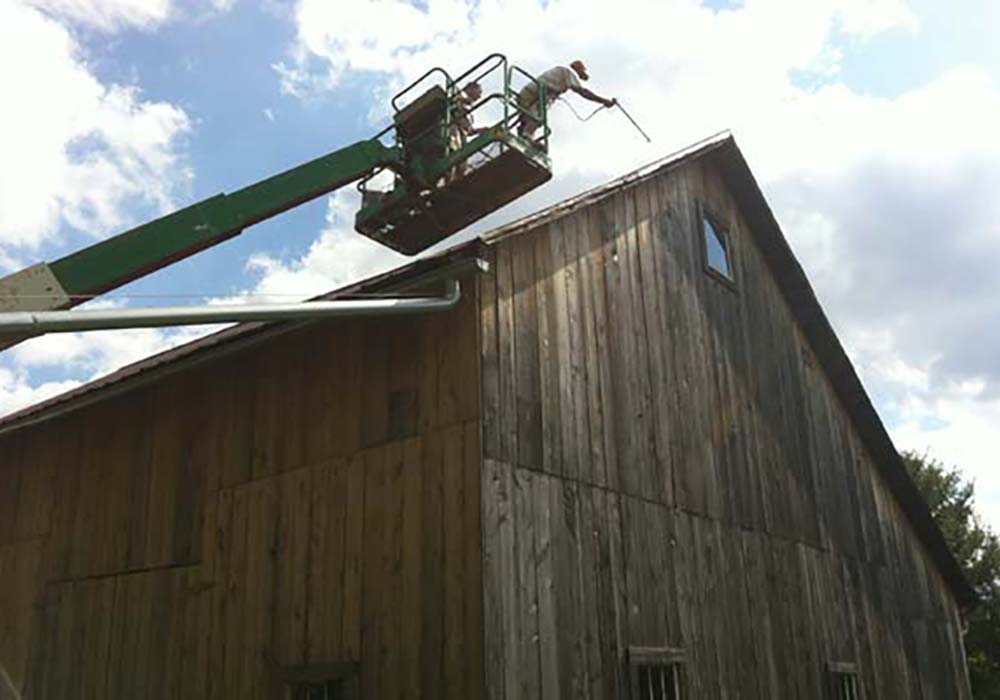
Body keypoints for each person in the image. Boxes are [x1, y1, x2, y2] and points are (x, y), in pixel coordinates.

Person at [517, 60, 615, 141]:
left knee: (530, 117)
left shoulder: (560, 69)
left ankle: (524, 133)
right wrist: (603, 101)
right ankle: (526, 136)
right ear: (577, 69)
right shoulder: (569, 72)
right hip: (538, 94)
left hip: (527, 93)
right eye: (581, 72)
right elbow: (582, 91)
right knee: (539, 117)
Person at [448, 81, 485, 181]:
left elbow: (468, 131)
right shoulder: (457, 94)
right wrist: (465, 100)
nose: (479, 96)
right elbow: (452, 102)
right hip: (453, 130)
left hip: (462, 137)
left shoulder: (470, 112)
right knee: (451, 159)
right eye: (479, 92)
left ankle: (455, 184)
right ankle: (448, 182)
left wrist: (481, 130)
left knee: (462, 165)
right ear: (471, 88)